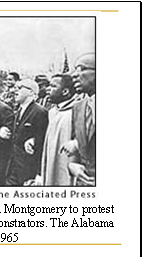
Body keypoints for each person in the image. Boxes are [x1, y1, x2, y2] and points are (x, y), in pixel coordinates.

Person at [5, 79, 49, 186]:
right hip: (13, 167)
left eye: (20, 88)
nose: (15, 91)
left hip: (28, 170)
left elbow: (42, 143)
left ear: (31, 92)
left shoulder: (39, 112)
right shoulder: (18, 111)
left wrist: (38, 174)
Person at [61, 52, 96, 186]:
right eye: (75, 69)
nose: (74, 75)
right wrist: (72, 166)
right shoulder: (78, 108)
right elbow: (79, 145)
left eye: (81, 69)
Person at [40, 74, 81, 186]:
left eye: (53, 86)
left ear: (65, 92)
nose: (48, 89)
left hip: (68, 164)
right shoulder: (52, 112)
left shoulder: (77, 111)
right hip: (50, 162)